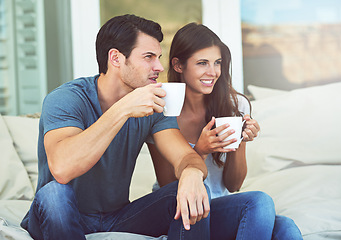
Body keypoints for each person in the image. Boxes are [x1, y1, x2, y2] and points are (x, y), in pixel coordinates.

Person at [20, 15, 211, 240]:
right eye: (148, 57)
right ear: (116, 58)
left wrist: (191, 172)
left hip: (116, 217)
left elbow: (185, 157)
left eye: (158, 57)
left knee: (192, 191)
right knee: (53, 194)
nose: (159, 66)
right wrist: (122, 109)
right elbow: (62, 169)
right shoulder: (66, 98)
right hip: (59, 214)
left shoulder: (155, 104)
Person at [147, 22, 303, 240]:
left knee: (286, 227)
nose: (213, 72)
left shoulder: (235, 105)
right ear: (178, 65)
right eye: (202, 63)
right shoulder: (163, 109)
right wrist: (199, 151)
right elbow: (167, 186)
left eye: (217, 63)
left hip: (220, 207)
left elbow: (234, 184)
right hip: (180, 209)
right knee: (259, 202)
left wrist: (241, 140)